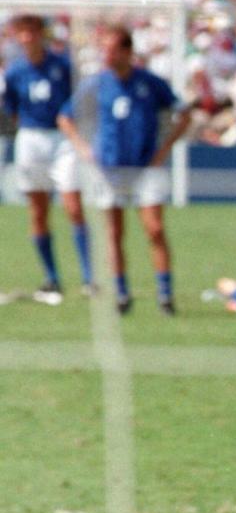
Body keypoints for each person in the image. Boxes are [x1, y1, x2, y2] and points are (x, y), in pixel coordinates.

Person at [57, 25, 194, 315]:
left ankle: (165, 295)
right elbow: (66, 118)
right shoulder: (96, 84)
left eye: (112, 49)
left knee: (154, 228)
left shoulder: (150, 83)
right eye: (104, 49)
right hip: (110, 169)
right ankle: (121, 293)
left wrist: (164, 149)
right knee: (114, 233)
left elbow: (184, 114)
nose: (107, 55)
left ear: (127, 52)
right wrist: (84, 148)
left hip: (145, 167)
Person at [2, 14, 93, 302]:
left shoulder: (62, 65)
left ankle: (89, 278)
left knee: (73, 206)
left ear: (41, 33)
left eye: (31, 31)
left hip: (61, 138)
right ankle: (51, 278)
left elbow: (78, 99)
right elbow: (11, 109)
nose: (27, 38)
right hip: (31, 138)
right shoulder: (15, 72)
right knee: (38, 211)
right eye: (22, 32)